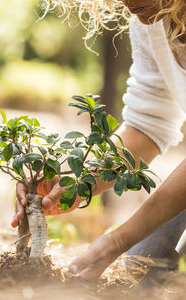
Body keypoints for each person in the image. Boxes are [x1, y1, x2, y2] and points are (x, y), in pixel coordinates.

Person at [12, 0, 186, 285]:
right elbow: (147, 126)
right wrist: (78, 183)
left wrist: (118, 239)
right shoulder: (150, 22)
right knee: (141, 268)